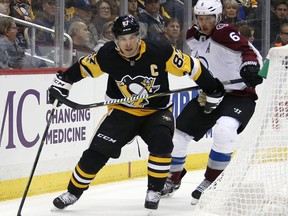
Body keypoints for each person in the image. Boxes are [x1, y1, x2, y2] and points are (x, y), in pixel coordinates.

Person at [48, 14, 225, 212]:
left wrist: (213, 88)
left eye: (132, 37)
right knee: (97, 151)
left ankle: (155, 190)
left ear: (139, 36)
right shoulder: (106, 55)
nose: (128, 43)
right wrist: (62, 84)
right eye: (123, 39)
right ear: (115, 40)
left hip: (156, 111)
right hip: (123, 111)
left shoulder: (159, 52)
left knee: (162, 141)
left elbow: (192, 67)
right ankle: (72, 192)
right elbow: (82, 69)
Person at [161, 0, 263, 205]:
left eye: (209, 18)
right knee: (178, 135)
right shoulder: (192, 35)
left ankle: (213, 180)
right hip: (211, 93)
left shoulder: (224, 31)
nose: (204, 22)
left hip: (239, 94)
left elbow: (248, 51)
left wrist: (250, 67)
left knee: (225, 129)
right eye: (200, 18)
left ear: (218, 18)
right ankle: (173, 177)